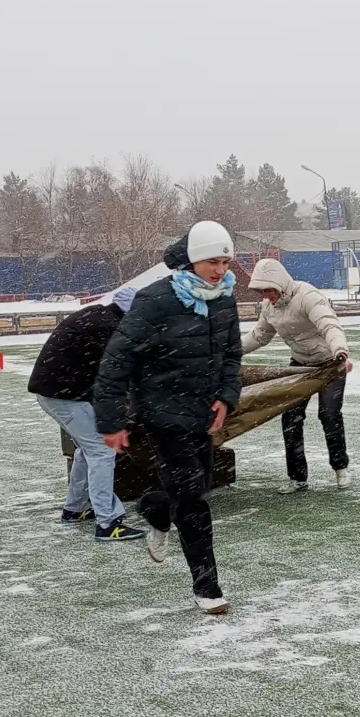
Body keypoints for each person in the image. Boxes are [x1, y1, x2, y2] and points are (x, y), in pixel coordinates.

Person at [94, 221, 244, 615]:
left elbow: (232, 355)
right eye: (213, 261)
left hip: (202, 414)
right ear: (193, 259)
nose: (220, 269)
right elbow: (118, 360)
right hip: (162, 412)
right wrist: (111, 420)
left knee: (197, 488)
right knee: (193, 500)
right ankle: (207, 586)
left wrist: (227, 397)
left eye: (226, 261)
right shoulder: (156, 299)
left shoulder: (224, 298)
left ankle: (155, 509)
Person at [27, 289, 144, 542]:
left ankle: (75, 509)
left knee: (87, 448)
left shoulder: (101, 318)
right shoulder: (110, 330)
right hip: (64, 396)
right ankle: (108, 523)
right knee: (102, 451)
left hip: (56, 392)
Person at [244, 256, 353, 493]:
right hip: (300, 365)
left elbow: (328, 324)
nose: (266, 296)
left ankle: (340, 468)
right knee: (290, 419)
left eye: (269, 290)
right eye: (261, 291)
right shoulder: (269, 307)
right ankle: (298, 478)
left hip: (331, 363)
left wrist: (340, 349)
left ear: (280, 284)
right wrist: (230, 352)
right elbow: (259, 336)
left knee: (329, 415)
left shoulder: (307, 296)